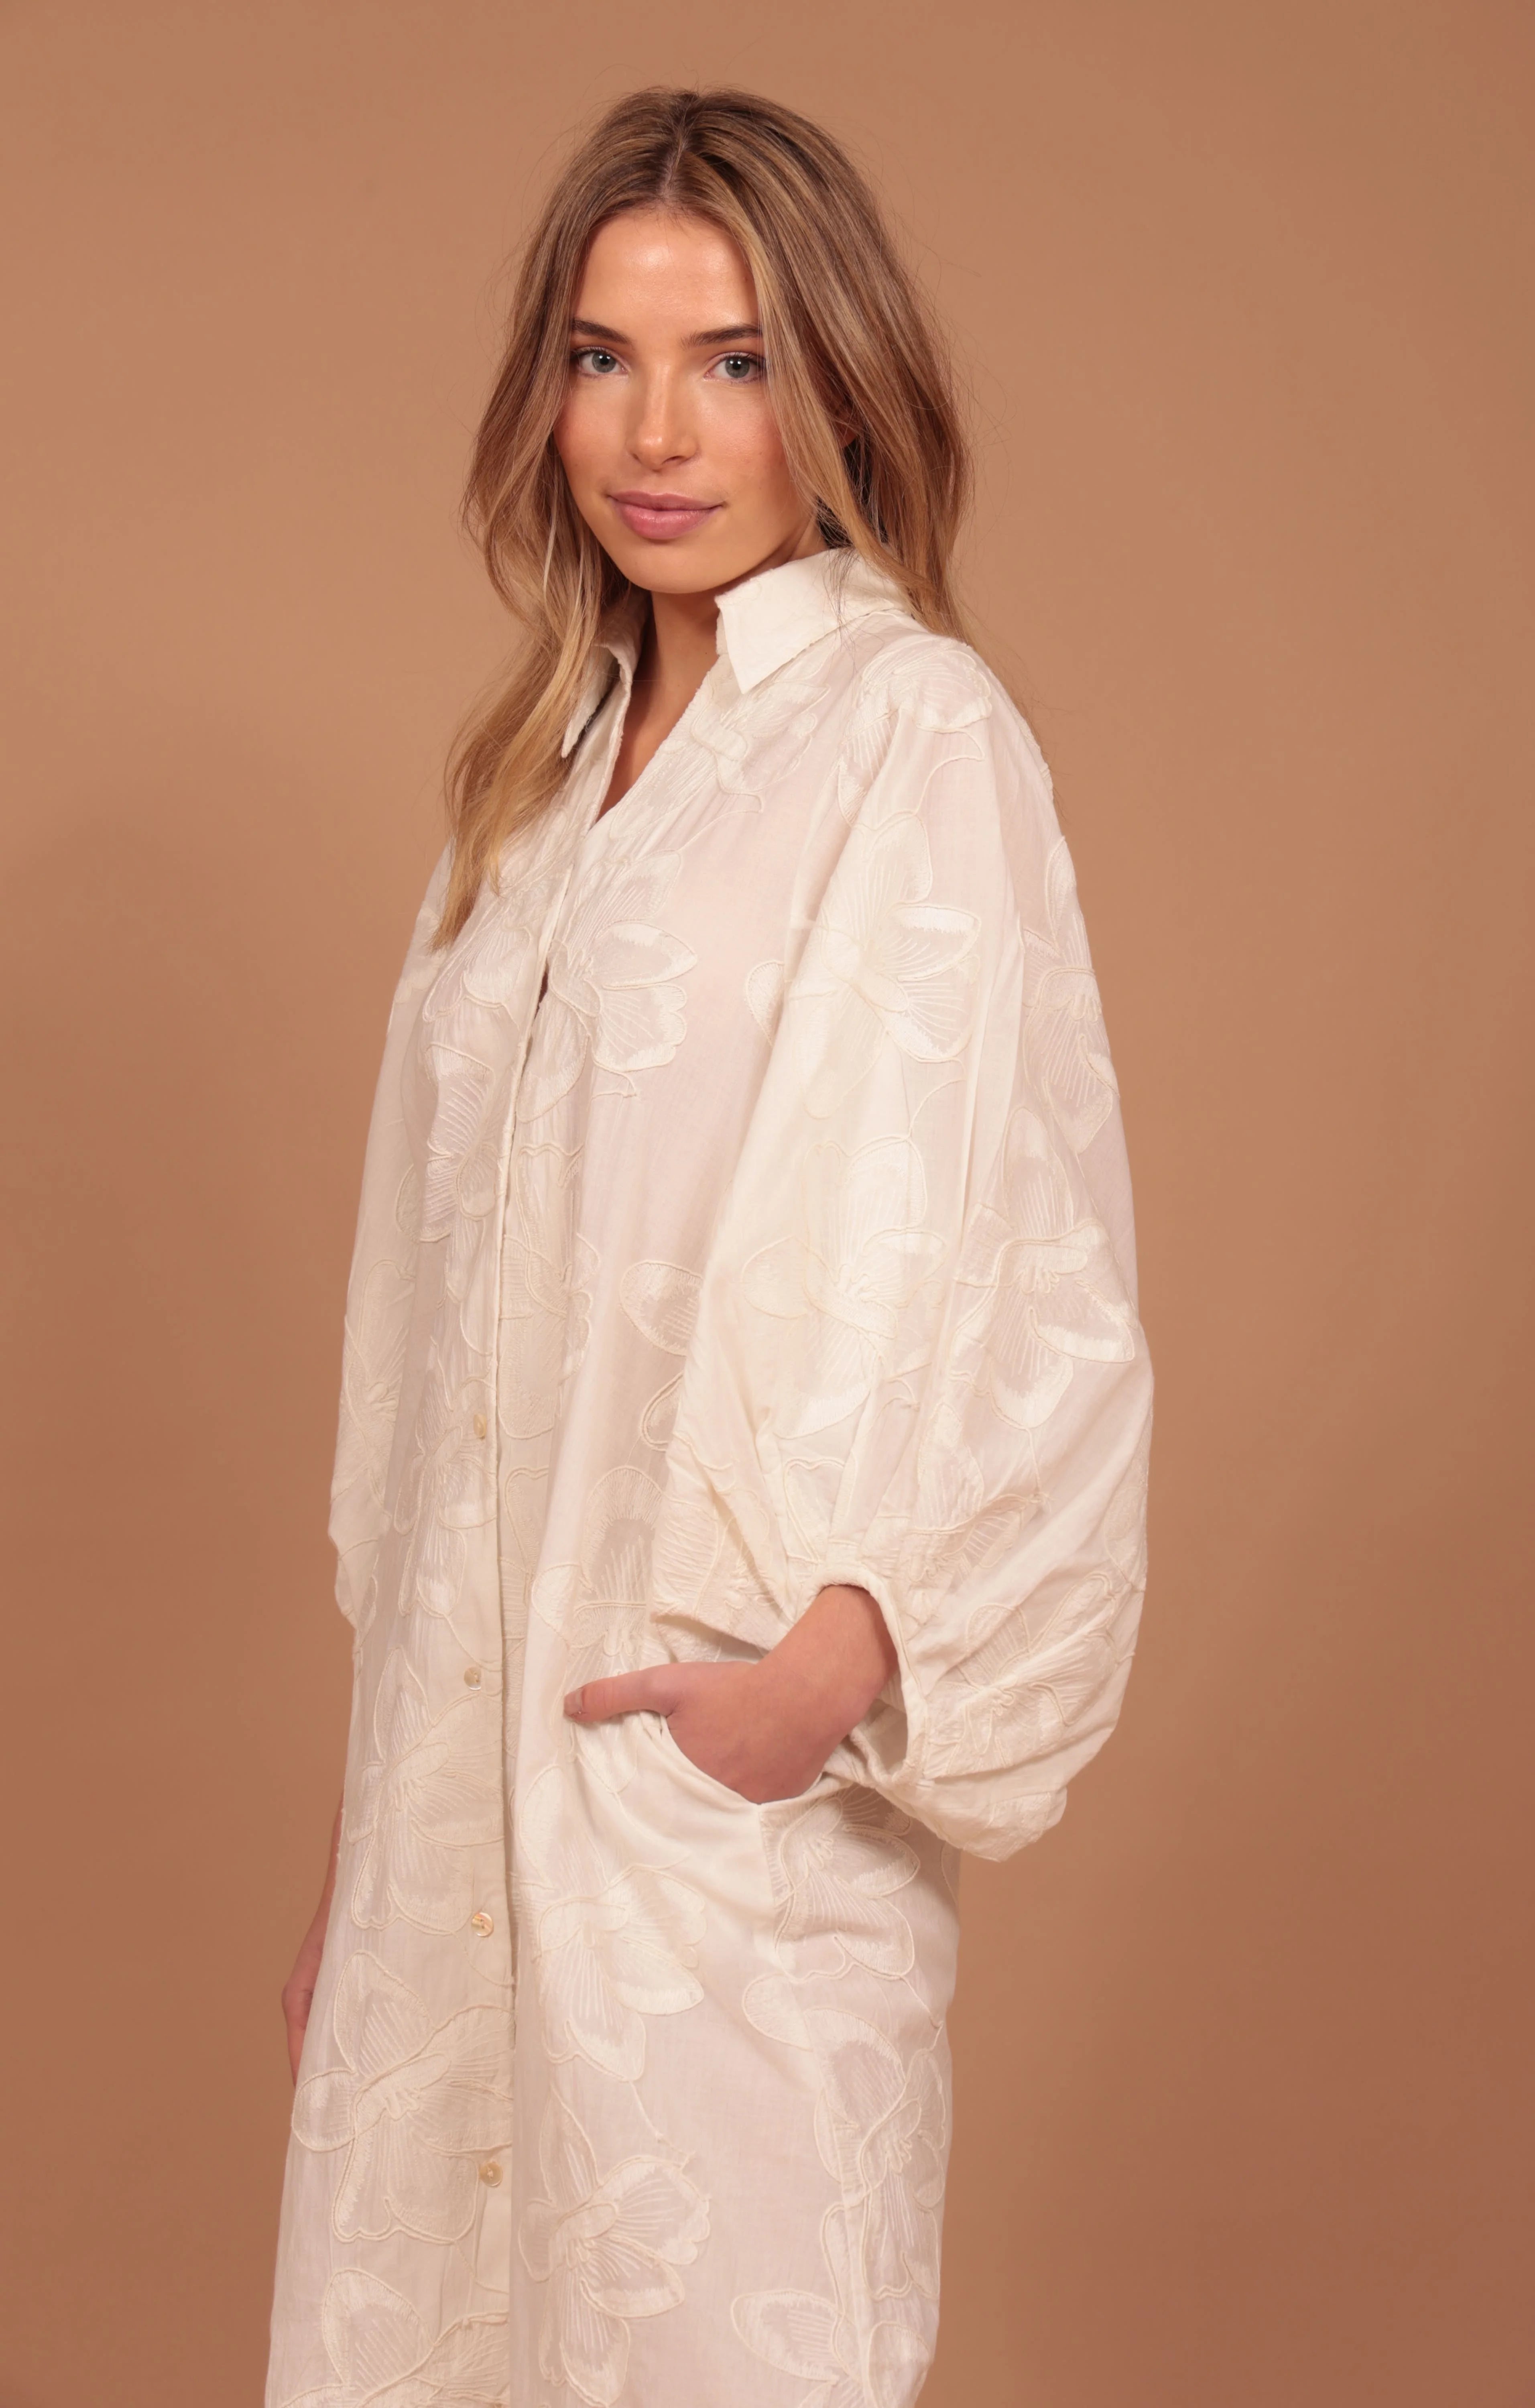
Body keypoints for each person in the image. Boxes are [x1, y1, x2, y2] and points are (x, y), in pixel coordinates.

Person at [267, 84, 1152, 2408]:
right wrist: (378, 1844)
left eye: (733, 362)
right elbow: (435, 1354)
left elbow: (1025, 1277)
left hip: (712, 1822)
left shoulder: (909, 737)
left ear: (837, 385)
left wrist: (823, 1674)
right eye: (604, 357)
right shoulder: (535, 788)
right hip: (459, 1834)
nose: (656, 433)